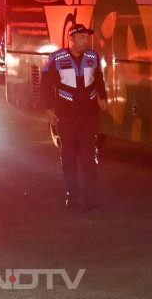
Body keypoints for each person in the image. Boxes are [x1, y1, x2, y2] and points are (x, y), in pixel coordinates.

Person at [42, 23, 108, 210]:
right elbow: (46, 85)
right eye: (81, 37)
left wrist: (103, 98)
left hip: (88, 115)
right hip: (67, 115)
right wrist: (48, 108)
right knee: (69, 156)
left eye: (87, 37)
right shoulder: (57, 58)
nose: (85, 41)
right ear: (71, 39)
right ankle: (72, 195)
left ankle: (90, 198)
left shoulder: (92, 57)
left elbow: (99, 80)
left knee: (89, 157)